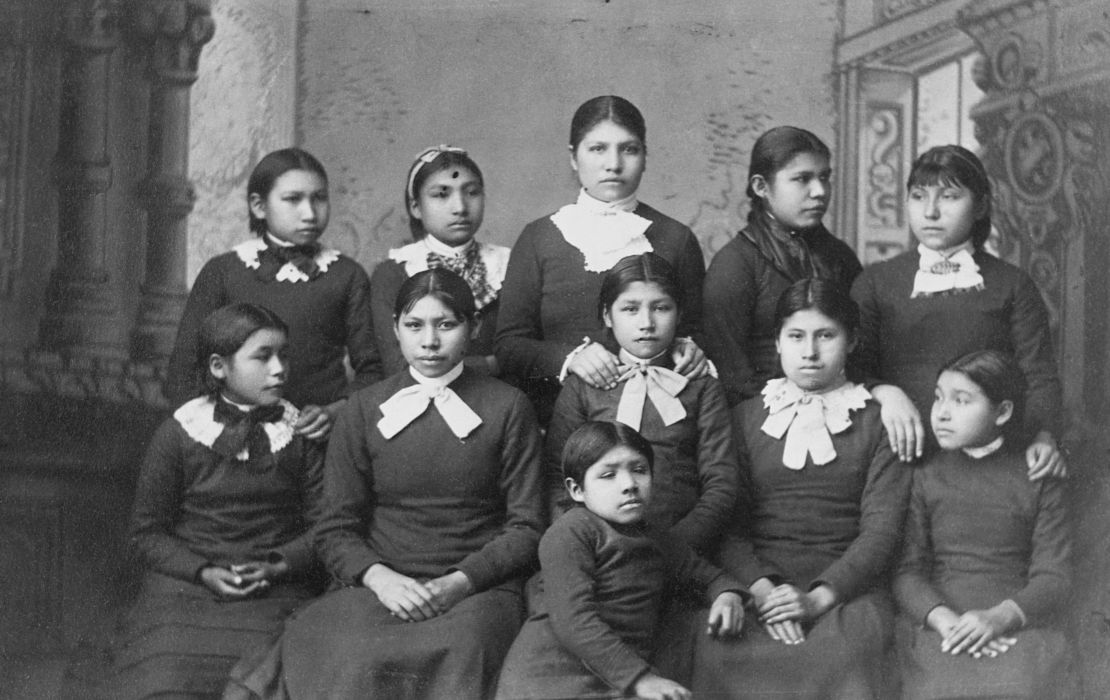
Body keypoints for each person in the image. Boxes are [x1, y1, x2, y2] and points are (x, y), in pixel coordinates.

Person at [227, 269, 544, 700]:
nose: (429, 341)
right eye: (414, 326)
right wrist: (382, 580)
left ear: (474, 328)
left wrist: (459, 582)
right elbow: (335, 526)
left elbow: (526, 526)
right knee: (348, 654)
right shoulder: (363, 408)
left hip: (476, 589)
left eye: (446, 324)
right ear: (395, 329)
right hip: (380, 583)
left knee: (467, 650)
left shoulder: (509, 407)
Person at [694, 278, 911, 699]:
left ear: (852, 342)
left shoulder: (879, 421)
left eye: (826, 336)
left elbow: (882, 531)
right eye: (795, 336)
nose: (809, 352)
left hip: (847, 591)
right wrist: (763, 591)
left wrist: (817, 599)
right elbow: (728, 525)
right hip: (760, 584)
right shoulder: (743, 418)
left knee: (846, 652)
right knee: (715, 648)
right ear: (777, 342)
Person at [108, 303, 323, 699]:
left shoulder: (301, 433)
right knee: (167, 676)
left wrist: (277, 565)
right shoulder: (178, 433)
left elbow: (324, 529)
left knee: (281, 673)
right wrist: (203, 571)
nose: (279, 368)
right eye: (262, 357)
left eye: (284, 355)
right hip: (187, 588)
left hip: (277, 588)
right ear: (218, 367)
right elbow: (146, 534)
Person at [850, 145, 1064, 476]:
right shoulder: (875, 282)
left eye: (949, 196)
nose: (931, 212)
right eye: (919, 196)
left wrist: (1044, 436)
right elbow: (852, 368)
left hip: (985, 460)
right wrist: (885, 391)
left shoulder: (1013, 285)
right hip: (894, 456)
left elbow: (1038, 375)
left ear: (979, 206)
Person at [496, 421, 747, 700]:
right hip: (553, 678)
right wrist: (640, 679)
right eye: (608, 475)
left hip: (616, 677)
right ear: (577, 490)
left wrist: (727, 595)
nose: (629, 485)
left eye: (639, 470)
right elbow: (574, 621)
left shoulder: (656, 536)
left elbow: (707, 575)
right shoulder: (571, 533)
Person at [496, 95, 709, 424]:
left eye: (629, 149)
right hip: (563, 420)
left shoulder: (676, 239)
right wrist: (570, 359)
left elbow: (699, 330)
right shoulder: (539, 238)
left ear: (645, 156)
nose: (614, 164)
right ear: (573, 157)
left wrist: (691, 347)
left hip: (659, 422)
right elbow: (509, 346)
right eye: (597, 149)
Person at [165, 147, 382, 440]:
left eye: (319, 198)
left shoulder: (347, 275)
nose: (309, 213)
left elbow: (372, 371)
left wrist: (335, 412)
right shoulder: (223, 271)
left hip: (315, 437)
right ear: (259, 206)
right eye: (293, 199)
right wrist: (214, 432)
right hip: (232, 437)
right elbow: (185, 369)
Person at [894, 350, 1072, 699]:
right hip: (940, 621)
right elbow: (906, 572)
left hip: (1019, 619)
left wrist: (999, 618)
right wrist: (946, 622)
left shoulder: (1038, 476)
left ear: (1003, 412)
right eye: (938, 398)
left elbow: (1055, 576)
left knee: (1022, 685)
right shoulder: (925, 476)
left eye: (961, 401)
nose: (942, 413)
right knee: (938, 688)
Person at [545, 253, 736, 554]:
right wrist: (587, 545)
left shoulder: (701, 386)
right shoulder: (583, 386)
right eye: (630, 309)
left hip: (682, 548)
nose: (646, 323)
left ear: (679, 313)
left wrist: (675, 550)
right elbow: (559, 481)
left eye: (661, 308)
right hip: (601, 553)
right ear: (608, 316)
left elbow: (721, 485)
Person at [702, 125, 862, 407]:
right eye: (802, 179)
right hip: (761, 424)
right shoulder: (735, 265)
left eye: (824, 177)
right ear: (761, 187)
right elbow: (731, 376)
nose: (819, 191)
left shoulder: (841, 258)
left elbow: (862, 351)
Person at [370, 145, 509, 376]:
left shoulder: (507, 266)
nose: (460, 208)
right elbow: (399, 368)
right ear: (416, 206)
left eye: (471, 192)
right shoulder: (394, 273)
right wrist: (490, 364)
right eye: (441, 194)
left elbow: (520, 360)